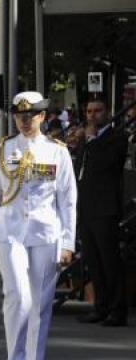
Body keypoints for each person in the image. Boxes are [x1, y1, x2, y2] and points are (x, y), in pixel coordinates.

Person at [0, 91, 77, 360]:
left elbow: (67, 200)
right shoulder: (2, 150)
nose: (24, 122)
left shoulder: (57, 151)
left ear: (42, 116)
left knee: (40, 308)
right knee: (18, 298)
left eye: (30, 116)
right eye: (19, 116)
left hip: (45, 233)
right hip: (9, 232)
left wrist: (67, 241)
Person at [75, 97, 128, 327]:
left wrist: (89, 140)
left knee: (110, 262)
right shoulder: (86, 140)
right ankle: (101, 306)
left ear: (107, 112)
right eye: (89, 111)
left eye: (97, 111)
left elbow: (106, 164)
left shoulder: (116, 137)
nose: (92, 115)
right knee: (93, 261)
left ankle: (117, 310)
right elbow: (80, 170)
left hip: (105, 209)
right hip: (86, 208)